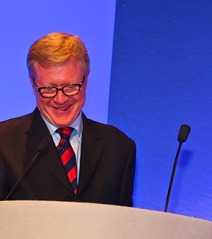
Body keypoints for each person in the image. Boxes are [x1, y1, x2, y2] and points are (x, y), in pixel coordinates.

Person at [0, 32, 135, 205]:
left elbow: (123, 226)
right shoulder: (4, 142)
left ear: (86, 79)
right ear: (33, 84)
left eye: (71, 87)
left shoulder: (119, 147)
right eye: (49, 88)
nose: (61, 99)